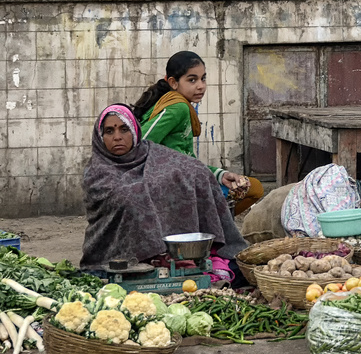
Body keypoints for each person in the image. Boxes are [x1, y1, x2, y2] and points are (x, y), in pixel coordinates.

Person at [80, 104, 247, 273]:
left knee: (194, 174)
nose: (117, 137)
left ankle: (179, 255)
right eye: (109, 131)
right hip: (115, 258)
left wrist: (218, 175)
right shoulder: (96, 173)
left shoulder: (151, 152)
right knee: (133, 196)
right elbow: (123, 198)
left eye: (124, 129)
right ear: (100, 136)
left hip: (176, 250)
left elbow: (190, 166)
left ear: (135, 132)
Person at [134, 51, 264, 215]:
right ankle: (211, 223)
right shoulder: (178, 107)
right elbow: (139, 143)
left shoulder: (178, 104)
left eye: (203, 78)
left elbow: (187, 158)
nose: (201, 85)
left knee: (250, 187)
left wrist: (220, 174)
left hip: (187, 177)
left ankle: (210, 222)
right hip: (176, 185)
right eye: (192, 80)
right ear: (173, 82)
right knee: (255, 189)